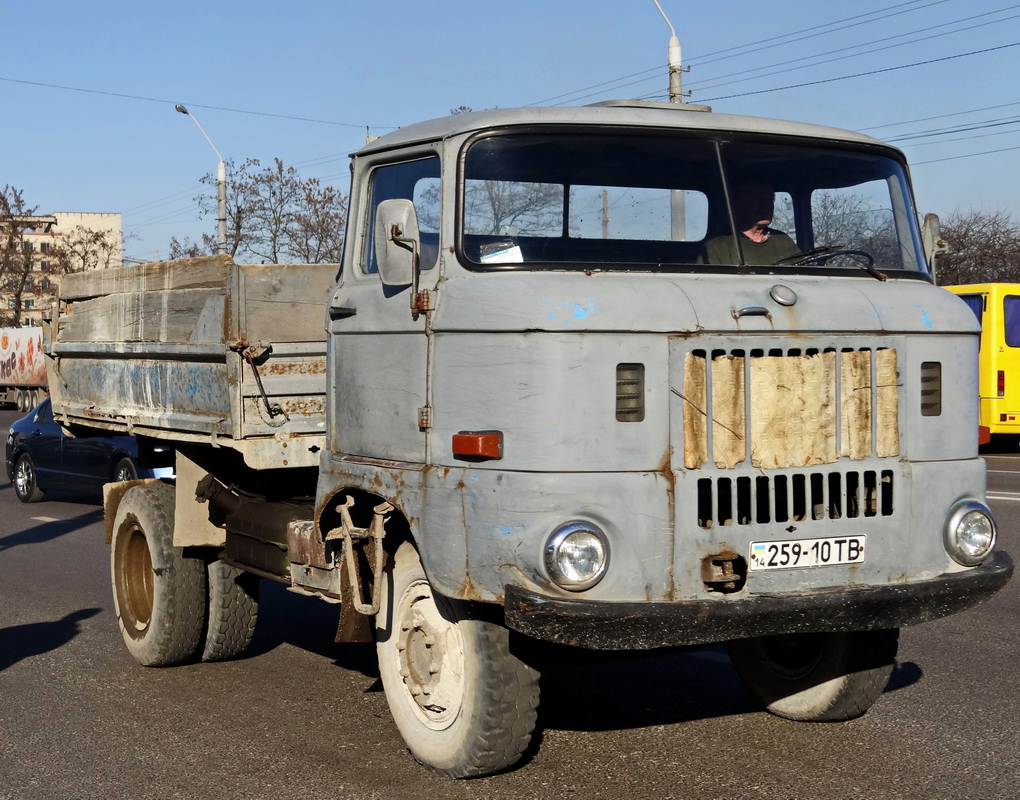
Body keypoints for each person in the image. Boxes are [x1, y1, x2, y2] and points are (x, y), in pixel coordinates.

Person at [699, 178, 800, 266]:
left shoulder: (783, 242)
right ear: (737, 205)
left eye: (769, 199)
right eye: (756, 199)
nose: (766, 205)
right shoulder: (717, 247)